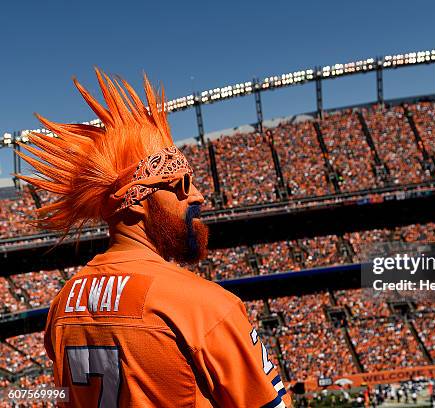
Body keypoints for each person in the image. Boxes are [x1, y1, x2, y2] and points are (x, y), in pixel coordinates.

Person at [18, 69, 291, 408]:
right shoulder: (203, 306)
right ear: (133, 203)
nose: (198, 197)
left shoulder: (62, 305)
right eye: (179, 185)